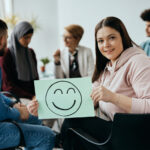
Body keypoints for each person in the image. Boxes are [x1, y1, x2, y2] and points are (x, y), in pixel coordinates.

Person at [57, 16, 150, 150]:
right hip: (117, 130)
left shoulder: (138, 61)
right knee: (72, 122)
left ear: (123, 37)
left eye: (112, 38)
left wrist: (114, 97)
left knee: (72, 123)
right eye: (100, 40)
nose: (105, 45)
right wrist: (45, 107)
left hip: (136, 134)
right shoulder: (106, 68)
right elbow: (85, 99)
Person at [0, 19, 55, 150]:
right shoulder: (7, 55)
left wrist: (13, 104)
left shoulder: (30, 52)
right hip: (13, 102)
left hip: (16, 102)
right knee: (47, 136)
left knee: (37, 118)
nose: (6, 43)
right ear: (1, 39)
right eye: (6, 38)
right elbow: (8, 88)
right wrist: (17, 112)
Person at [0, 21, 39, 100]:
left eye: (30, 37)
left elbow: (36, 79)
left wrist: (38, 95)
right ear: (18, 35)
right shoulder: (6, 54)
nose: (28, 41)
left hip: (32, 97)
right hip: (14, 97)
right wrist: (30, 97)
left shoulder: (31, 52)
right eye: (26, 37)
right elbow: (8, 85)